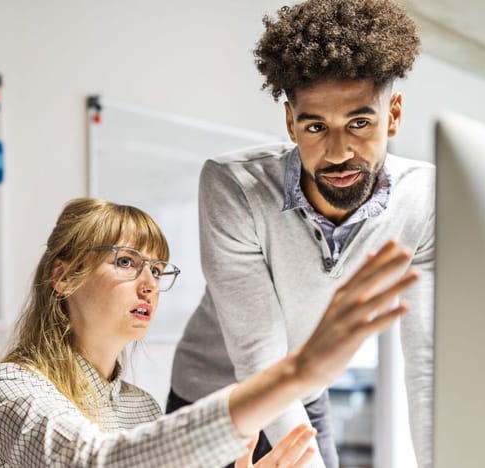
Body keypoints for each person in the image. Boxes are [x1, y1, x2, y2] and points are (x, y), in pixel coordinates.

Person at [167, 1, 434, 467]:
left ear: (392, 114)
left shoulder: (423, 199)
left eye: (359, 123)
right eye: (316, 126)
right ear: (290, 122)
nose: (337, 152)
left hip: (307, 395)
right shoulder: (236, 187)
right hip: (214, 403)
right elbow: (259, 361)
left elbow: (427, 365)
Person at [0, 197, 418, 467]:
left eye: (157, 269)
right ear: (63, 276)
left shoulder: (139, 406)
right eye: (126, 262)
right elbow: (94, 464)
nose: (149, 283)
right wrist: (293, 373)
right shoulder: (8, 387)